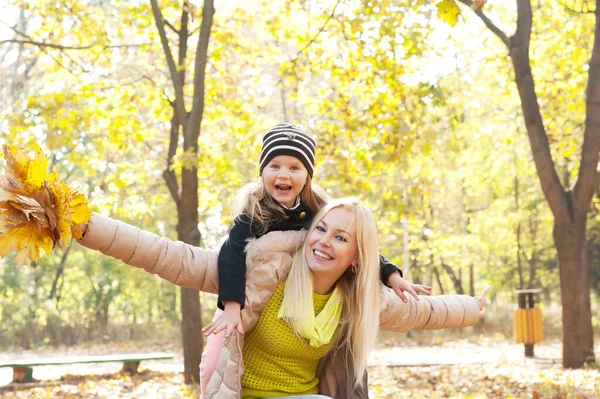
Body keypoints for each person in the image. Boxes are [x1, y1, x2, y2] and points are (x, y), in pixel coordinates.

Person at [77, 197, 489, 399]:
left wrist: (472, 309)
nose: (324, 242)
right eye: (322, 228)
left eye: (341, 238)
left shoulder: (358, 299)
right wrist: (85, 226)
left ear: (357, 257)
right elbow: (171, 256)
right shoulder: (261, 270)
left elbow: (423, 311)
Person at [200, 123, 431, 396]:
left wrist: (392, 276)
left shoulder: (317, 212)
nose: (283, 174)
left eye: (294, 167)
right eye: (274, 165)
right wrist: (230, 307)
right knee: (211, 364)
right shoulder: (253, 214)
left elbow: (360, 245)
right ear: (262, 172)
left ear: (307, 177)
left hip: (297, 297)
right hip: (239, 301)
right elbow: (231, 257)